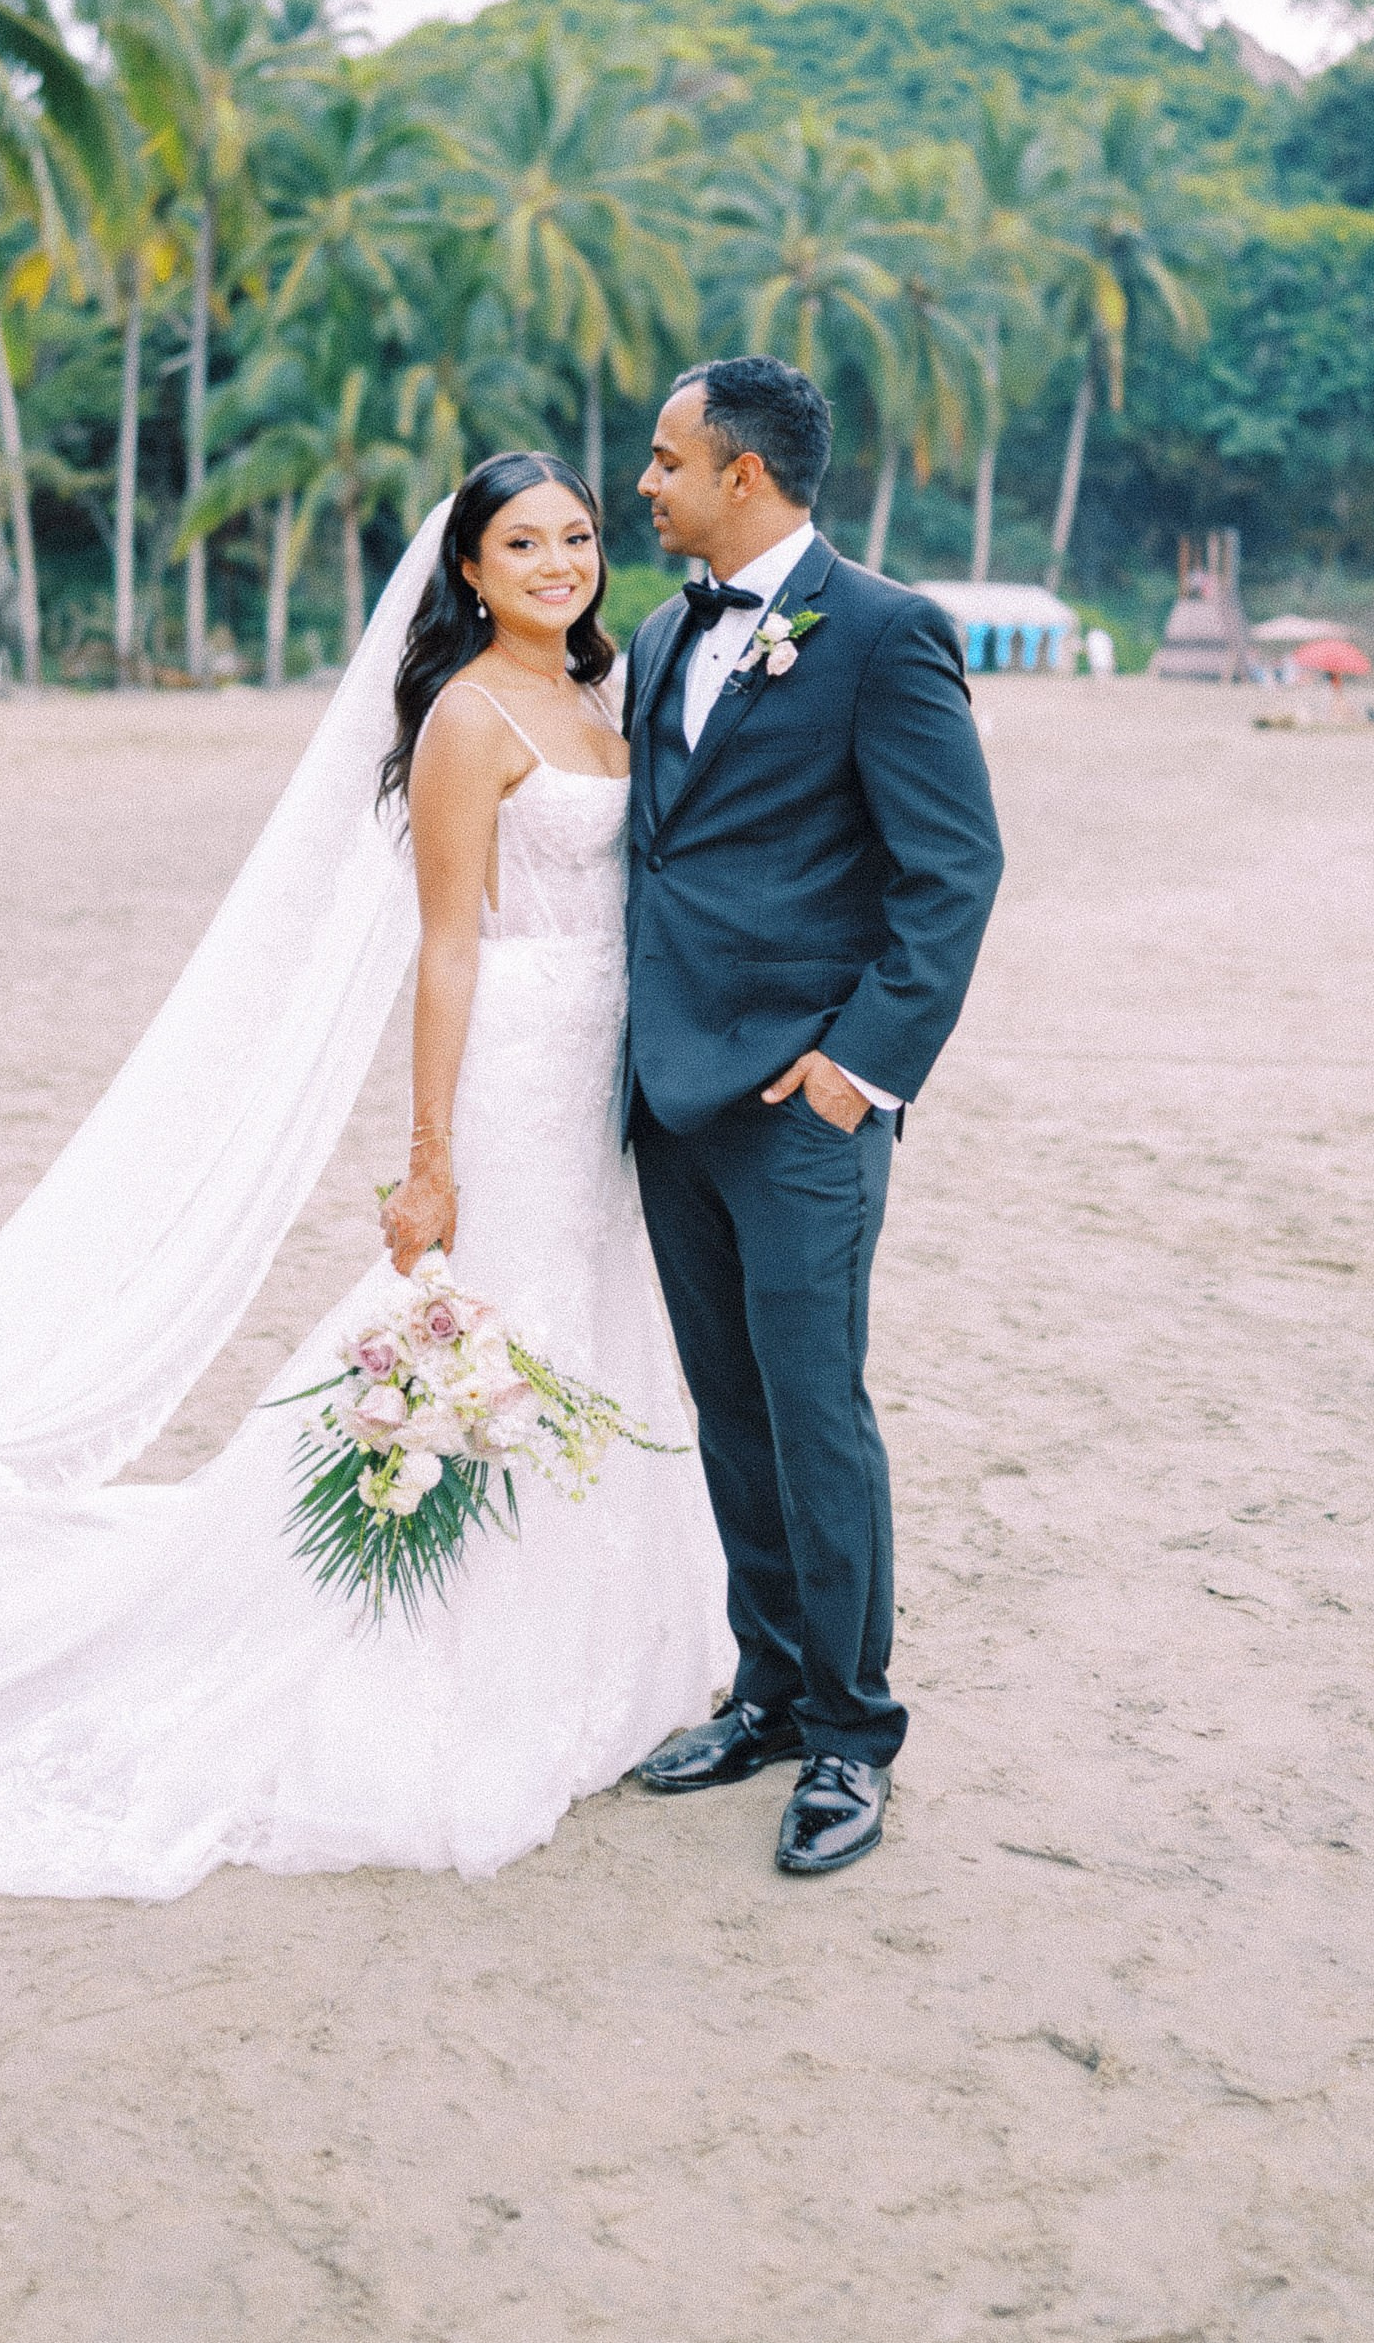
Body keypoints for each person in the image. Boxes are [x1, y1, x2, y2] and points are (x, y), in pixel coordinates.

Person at [0, 454, 726, 1897]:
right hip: (515, 1063)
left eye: (576, 537)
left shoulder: (607, 691)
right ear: (468, 570)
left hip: (613, 1072)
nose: (560, 562)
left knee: (609, 1322)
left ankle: (611, 1656)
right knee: (505, 1326)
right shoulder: (466, 716)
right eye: (523, 544)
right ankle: (447, 1662)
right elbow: (447, 946)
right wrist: (429, 1158)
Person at [622, 360, 1003, 1876]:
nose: (639, 485)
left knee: (816, 1411)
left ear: (746, 473)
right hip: (668, 1101)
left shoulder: (888, 633)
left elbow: (952, 873)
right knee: (729, 1410)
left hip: (802, 1109)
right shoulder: (659, 633)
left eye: (664, 461)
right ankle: (768, 1693)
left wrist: (860, 1068)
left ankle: (853, 1736)